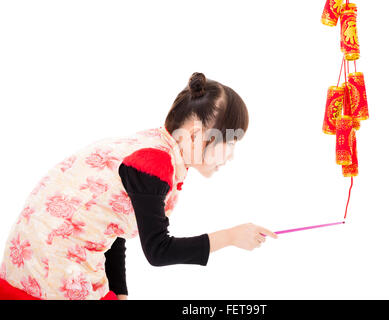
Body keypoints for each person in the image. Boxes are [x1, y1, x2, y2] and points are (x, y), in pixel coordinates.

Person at [0, 72, 278, 300]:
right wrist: (230, 237)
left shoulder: (151, 146)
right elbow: (159, 251)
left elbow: (111, 224)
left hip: (32, 267)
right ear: (195, 135)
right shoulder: (153, 163)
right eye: (228, 142)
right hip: (49, 275)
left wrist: (119, 292)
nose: (230, 156)